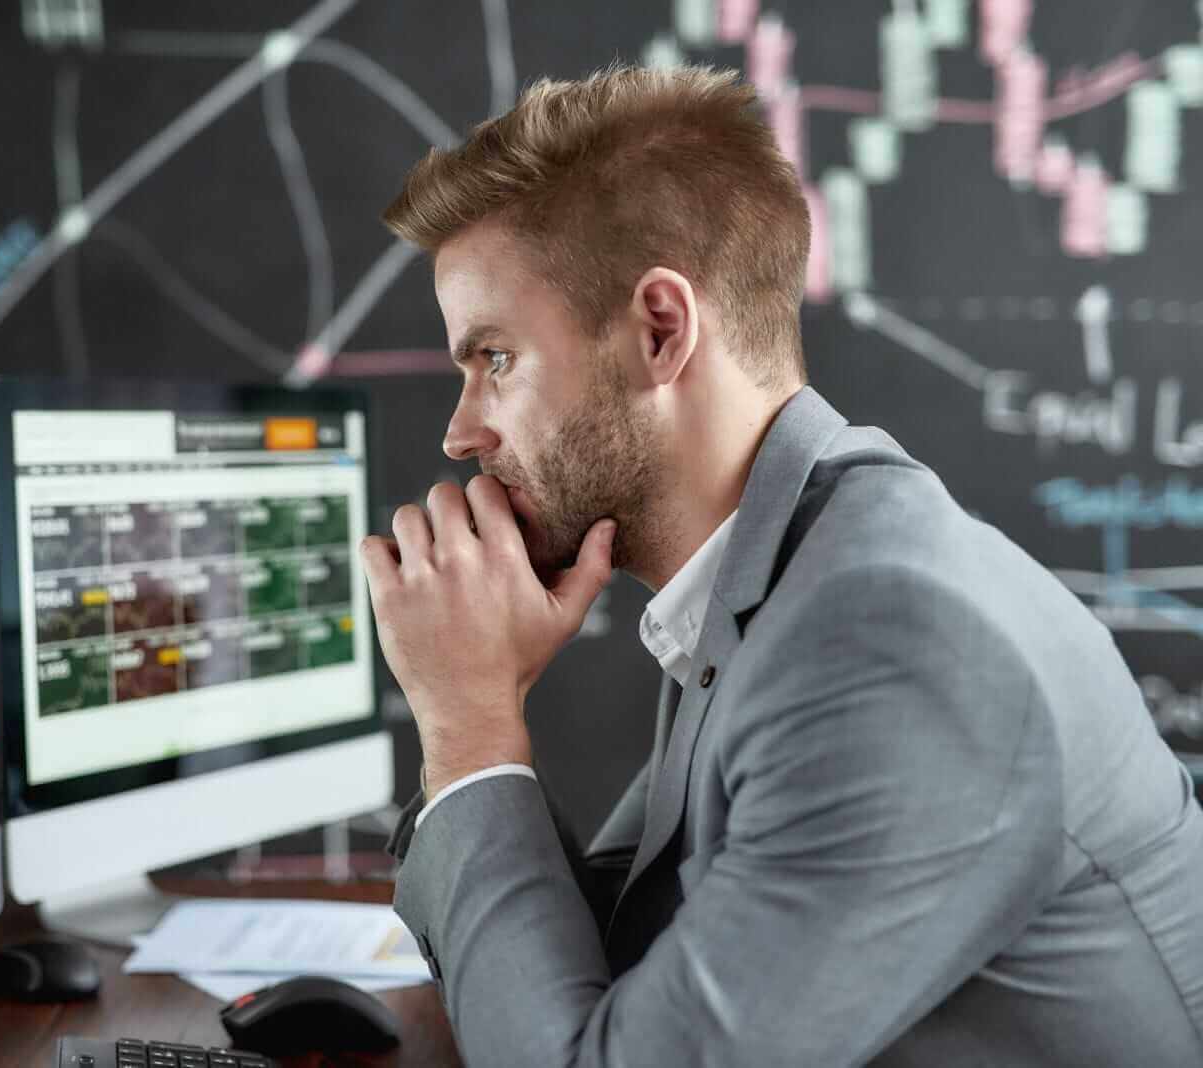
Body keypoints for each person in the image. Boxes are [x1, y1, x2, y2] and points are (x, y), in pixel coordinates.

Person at [358, 64, 1203, 1066]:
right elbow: (618, 959)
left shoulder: (893, 647)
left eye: (494, 359)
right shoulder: (786, 575)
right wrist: (472, 728)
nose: (460, 434)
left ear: (659, 331)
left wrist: (468, 726)